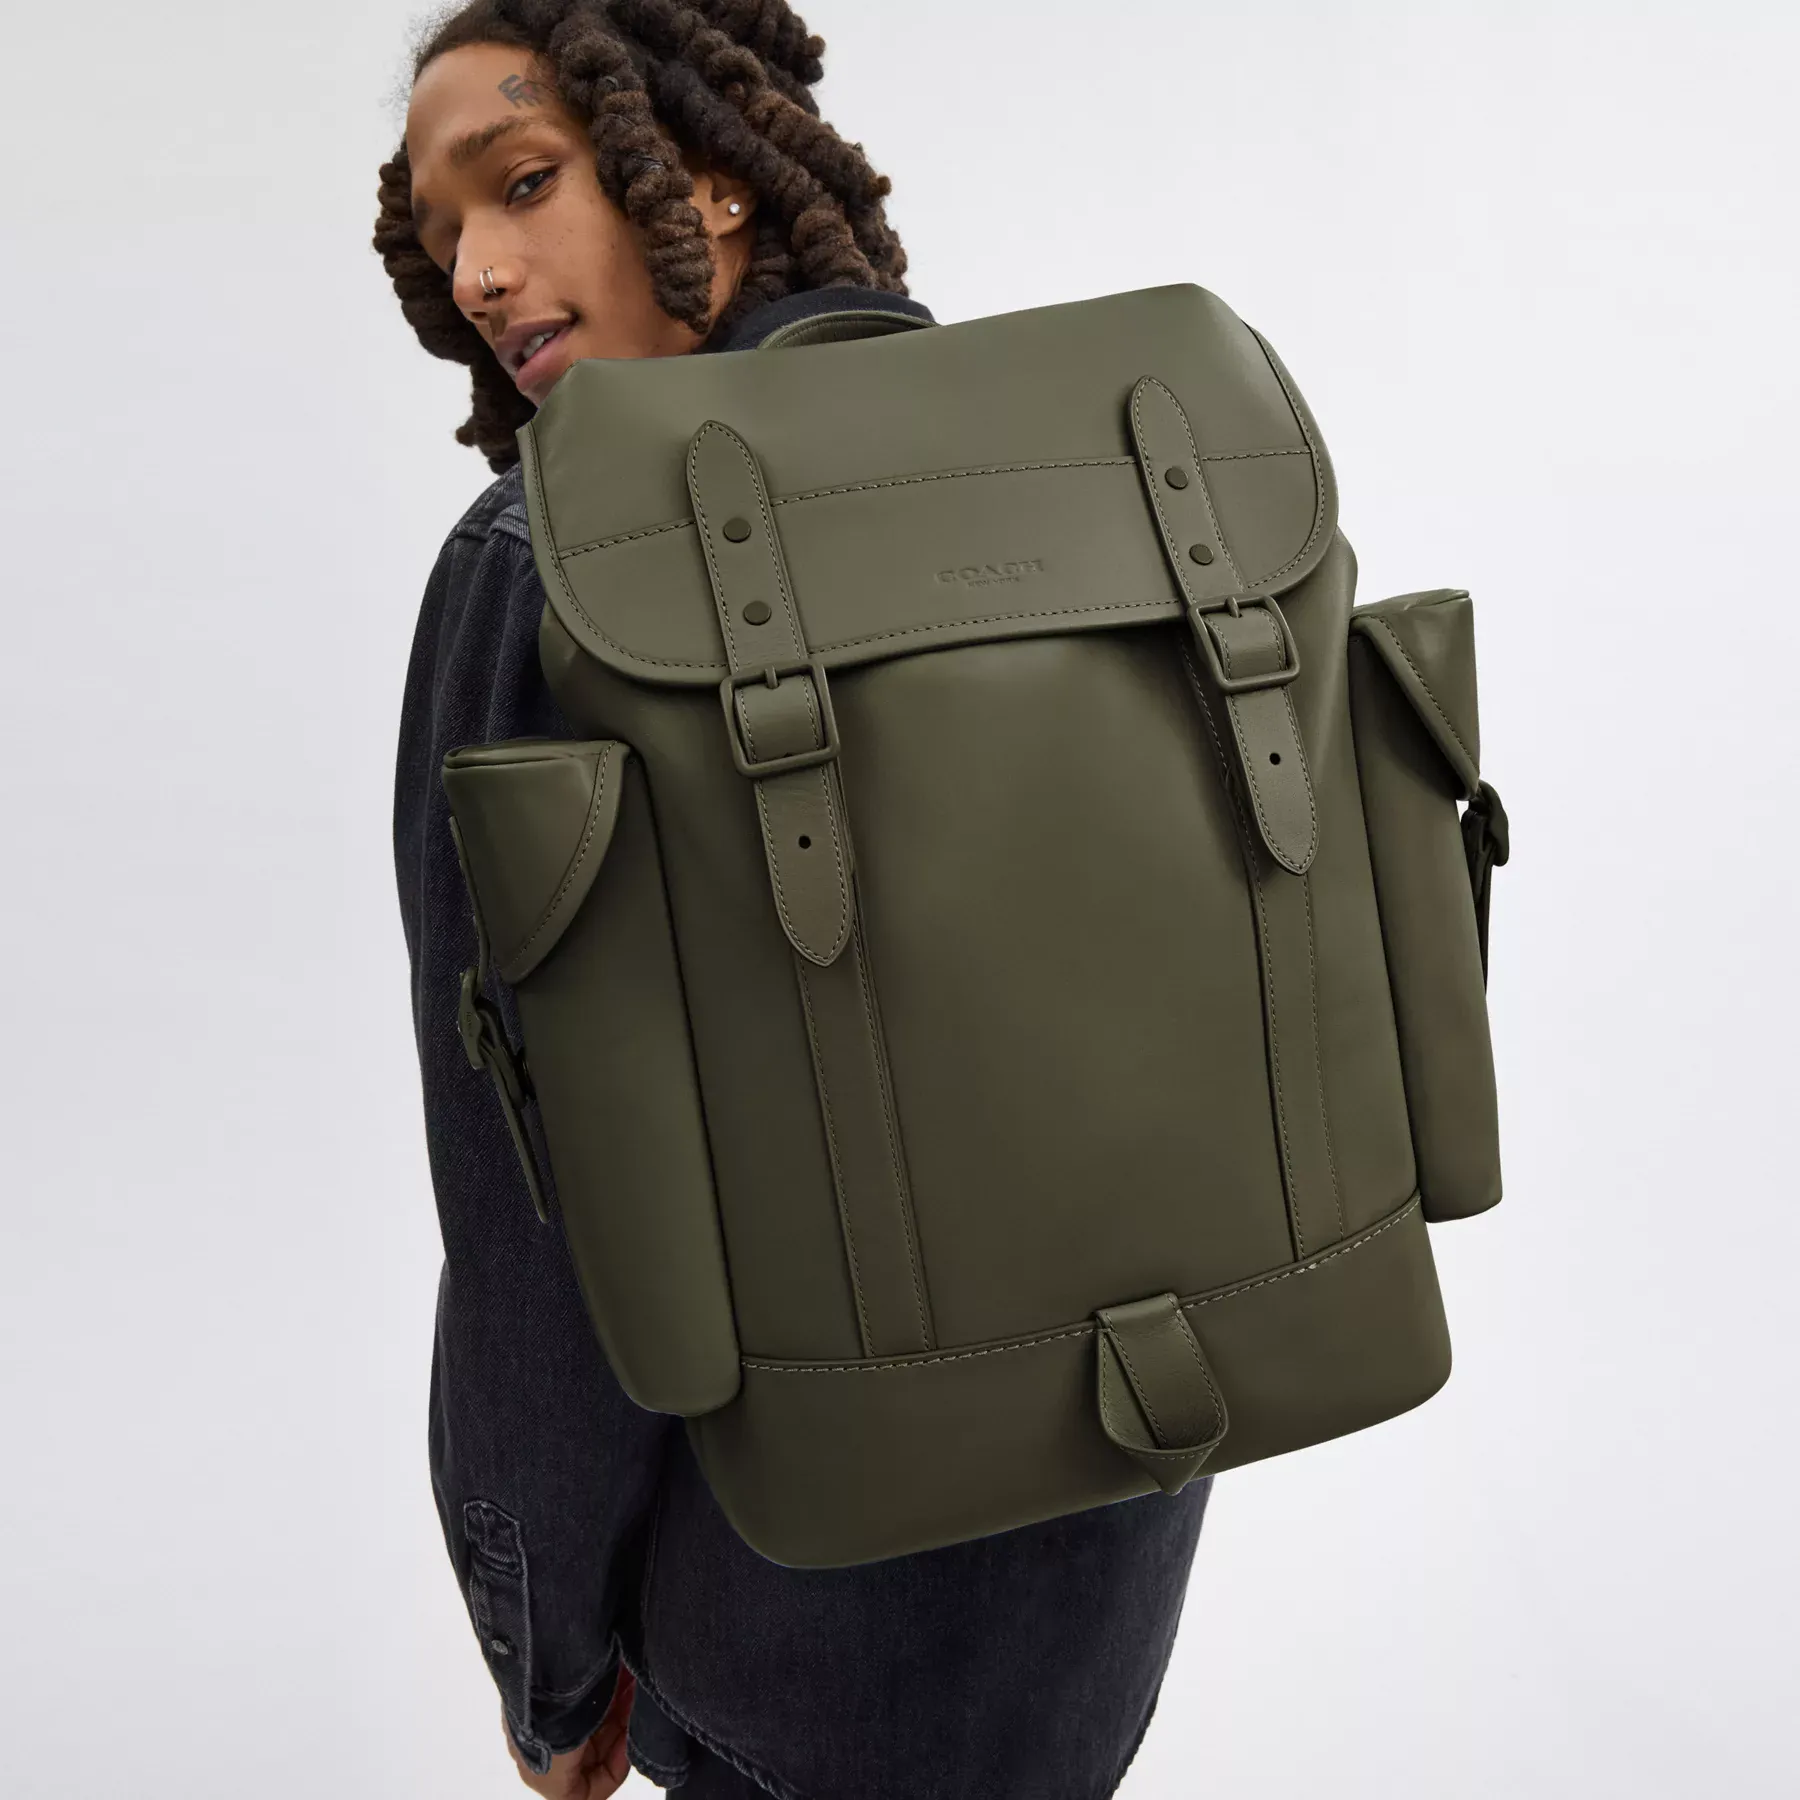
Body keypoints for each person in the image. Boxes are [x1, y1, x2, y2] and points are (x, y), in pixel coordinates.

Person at [375, 4, 1211, 1795]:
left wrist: (548, 1667)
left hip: (774, 1639)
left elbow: (534, 1212)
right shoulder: (1074, 482)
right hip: (1103, 1595)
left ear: (708, 183)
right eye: (444, 237)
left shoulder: (549, 565)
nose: (480, 274)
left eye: (522, 183)